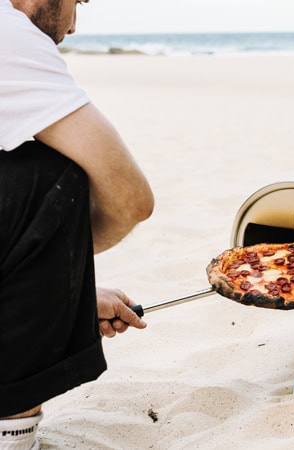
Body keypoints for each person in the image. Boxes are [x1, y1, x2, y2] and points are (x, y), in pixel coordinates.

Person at [0, 0, 154, 448]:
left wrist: (62, 290)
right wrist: (58, 287)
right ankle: (11, 430)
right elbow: (131, 199)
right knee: (55, 176)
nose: (73, 24)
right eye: (77, 1)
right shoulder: (8, 32)